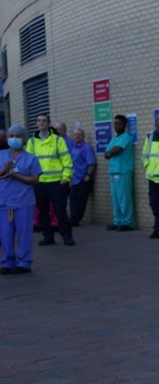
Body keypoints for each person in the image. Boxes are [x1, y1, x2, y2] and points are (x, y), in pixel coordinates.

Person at [26, 114, 75, 246]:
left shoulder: (58, 140)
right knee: (42, 212)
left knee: (60, 210)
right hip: (40, 182)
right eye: (39, 121)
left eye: (44, 121)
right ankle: (48, 237)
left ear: (49, 124)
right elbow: (28, 162)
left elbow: (67, 160)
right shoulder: (31, 142)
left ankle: (67, 236)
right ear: (36, 123)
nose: (41, 123)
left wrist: (66, 177)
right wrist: (31, 179)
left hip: (57, 182)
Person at [0, 124, 42, 274]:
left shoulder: (31, 159)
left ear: (24, 139)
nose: (14, 139)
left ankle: (24, 262)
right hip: (7, 204)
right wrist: (5, 170)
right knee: (6, 233)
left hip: (23, 203)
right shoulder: (2, 155)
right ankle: (8, 262)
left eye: (18, 136)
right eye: (11, 136)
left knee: (24, 233)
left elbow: (34, 179)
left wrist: (15, 175)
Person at [104, 114, 136, 231]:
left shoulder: (126, 137)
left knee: (124, 198)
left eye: (119, 123)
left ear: (124, 125)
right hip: (113, 171)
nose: (117, 125)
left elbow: (116, 150)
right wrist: (109, 153)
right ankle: (117, 221)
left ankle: (127, 222)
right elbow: (106, 152)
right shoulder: (114, 138)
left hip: (123, 171)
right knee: (116, 199)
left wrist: (110, 153)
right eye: (115, 123)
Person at [68, 128, 97, 226]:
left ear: (83, 136)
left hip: (84, 179)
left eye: (79, 134)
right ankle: (73, 219)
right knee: (73, 200)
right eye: (75, 134)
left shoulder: (86, 148)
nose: (77, 136)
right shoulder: (74, 148)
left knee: (81, 201)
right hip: (75, 179)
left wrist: (88, 175)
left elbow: (91, 163)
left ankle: (75, 220)